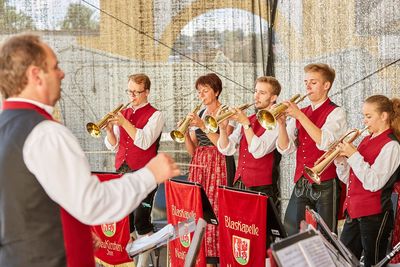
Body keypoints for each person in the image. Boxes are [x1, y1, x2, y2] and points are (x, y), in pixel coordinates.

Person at [0, 33, 179, 267]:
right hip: (50, 259)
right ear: (36, 75)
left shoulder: (6, 124)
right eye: (55, 67)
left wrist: (75, 230)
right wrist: (151, 174)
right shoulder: (46, 132)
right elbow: (93, 203)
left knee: (140, 222)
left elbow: (33, 199)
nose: (62, 73)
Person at [276, 63, 347, 235]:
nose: (307, 86)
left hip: (326, 182)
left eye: (313, 82)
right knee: (291, 229)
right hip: (302, 180)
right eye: (306, 82)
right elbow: (286, 148)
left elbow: (325, 142)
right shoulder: (303, 111)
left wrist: (300, 115)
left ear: (326, 85)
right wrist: (281, 125)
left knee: (325, 236)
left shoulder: (336, 112)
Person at [104, 73, 164, 267]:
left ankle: (146, 261)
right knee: (125, 220)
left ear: (146, 92)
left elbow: (145, 142)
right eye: (129, 92)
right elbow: (115, 146)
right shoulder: (125, 113)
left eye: (136, 92)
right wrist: (110, 131)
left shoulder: (156, 115)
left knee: (140, 219)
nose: (132, 96)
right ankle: (127, 261)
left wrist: (123, 123)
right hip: (122, 170)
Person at [334, 95, 400, 267]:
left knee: (374, 263)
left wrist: (353, 155)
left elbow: (374, 182)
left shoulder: (392, 146)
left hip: (374, 215)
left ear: (384, 116)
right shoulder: (365, 140)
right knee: (345, 260)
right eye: (364, 116)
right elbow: (350, 178)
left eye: (368, 116)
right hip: (353, 211)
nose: (364, 121)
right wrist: (341, 161)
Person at [184, 73, 235, 266]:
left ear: (217, 91)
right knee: (200, 207)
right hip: (200, 162)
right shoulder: (203, 113)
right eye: (199, 91)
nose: (201, 95)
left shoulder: (227, 112)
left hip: (218, 162)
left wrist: (202, 126)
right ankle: (202, 254)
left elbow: (223, 145)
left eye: (205, 91)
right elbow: (192, 151)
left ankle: (218, 256)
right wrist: (186, 135)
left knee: (217, 208)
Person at [217, 76, 282, 207]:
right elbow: (227, 149)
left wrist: (245, 123)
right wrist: (223, 129)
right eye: (256, 91)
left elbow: (258, 151)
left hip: (262, 187)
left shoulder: (278, 121)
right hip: (239, 183)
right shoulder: (249, 119)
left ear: (273, 98)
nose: (256, 96)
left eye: (262, 93)